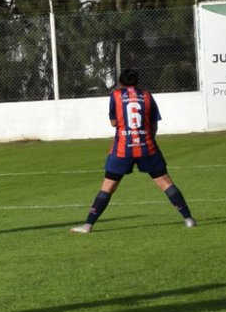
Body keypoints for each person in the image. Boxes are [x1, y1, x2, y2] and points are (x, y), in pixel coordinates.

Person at [70, 68, 196, 233]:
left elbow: (114, 123)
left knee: (108, 186)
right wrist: (147, 138)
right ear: (137, 82)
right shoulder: (147, 95)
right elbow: (153, 124)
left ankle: (88, 225)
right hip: (147, 147)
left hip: (123, 150)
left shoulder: (115, 95)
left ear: (120, 82)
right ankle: (188, 219)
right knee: (165, 183)